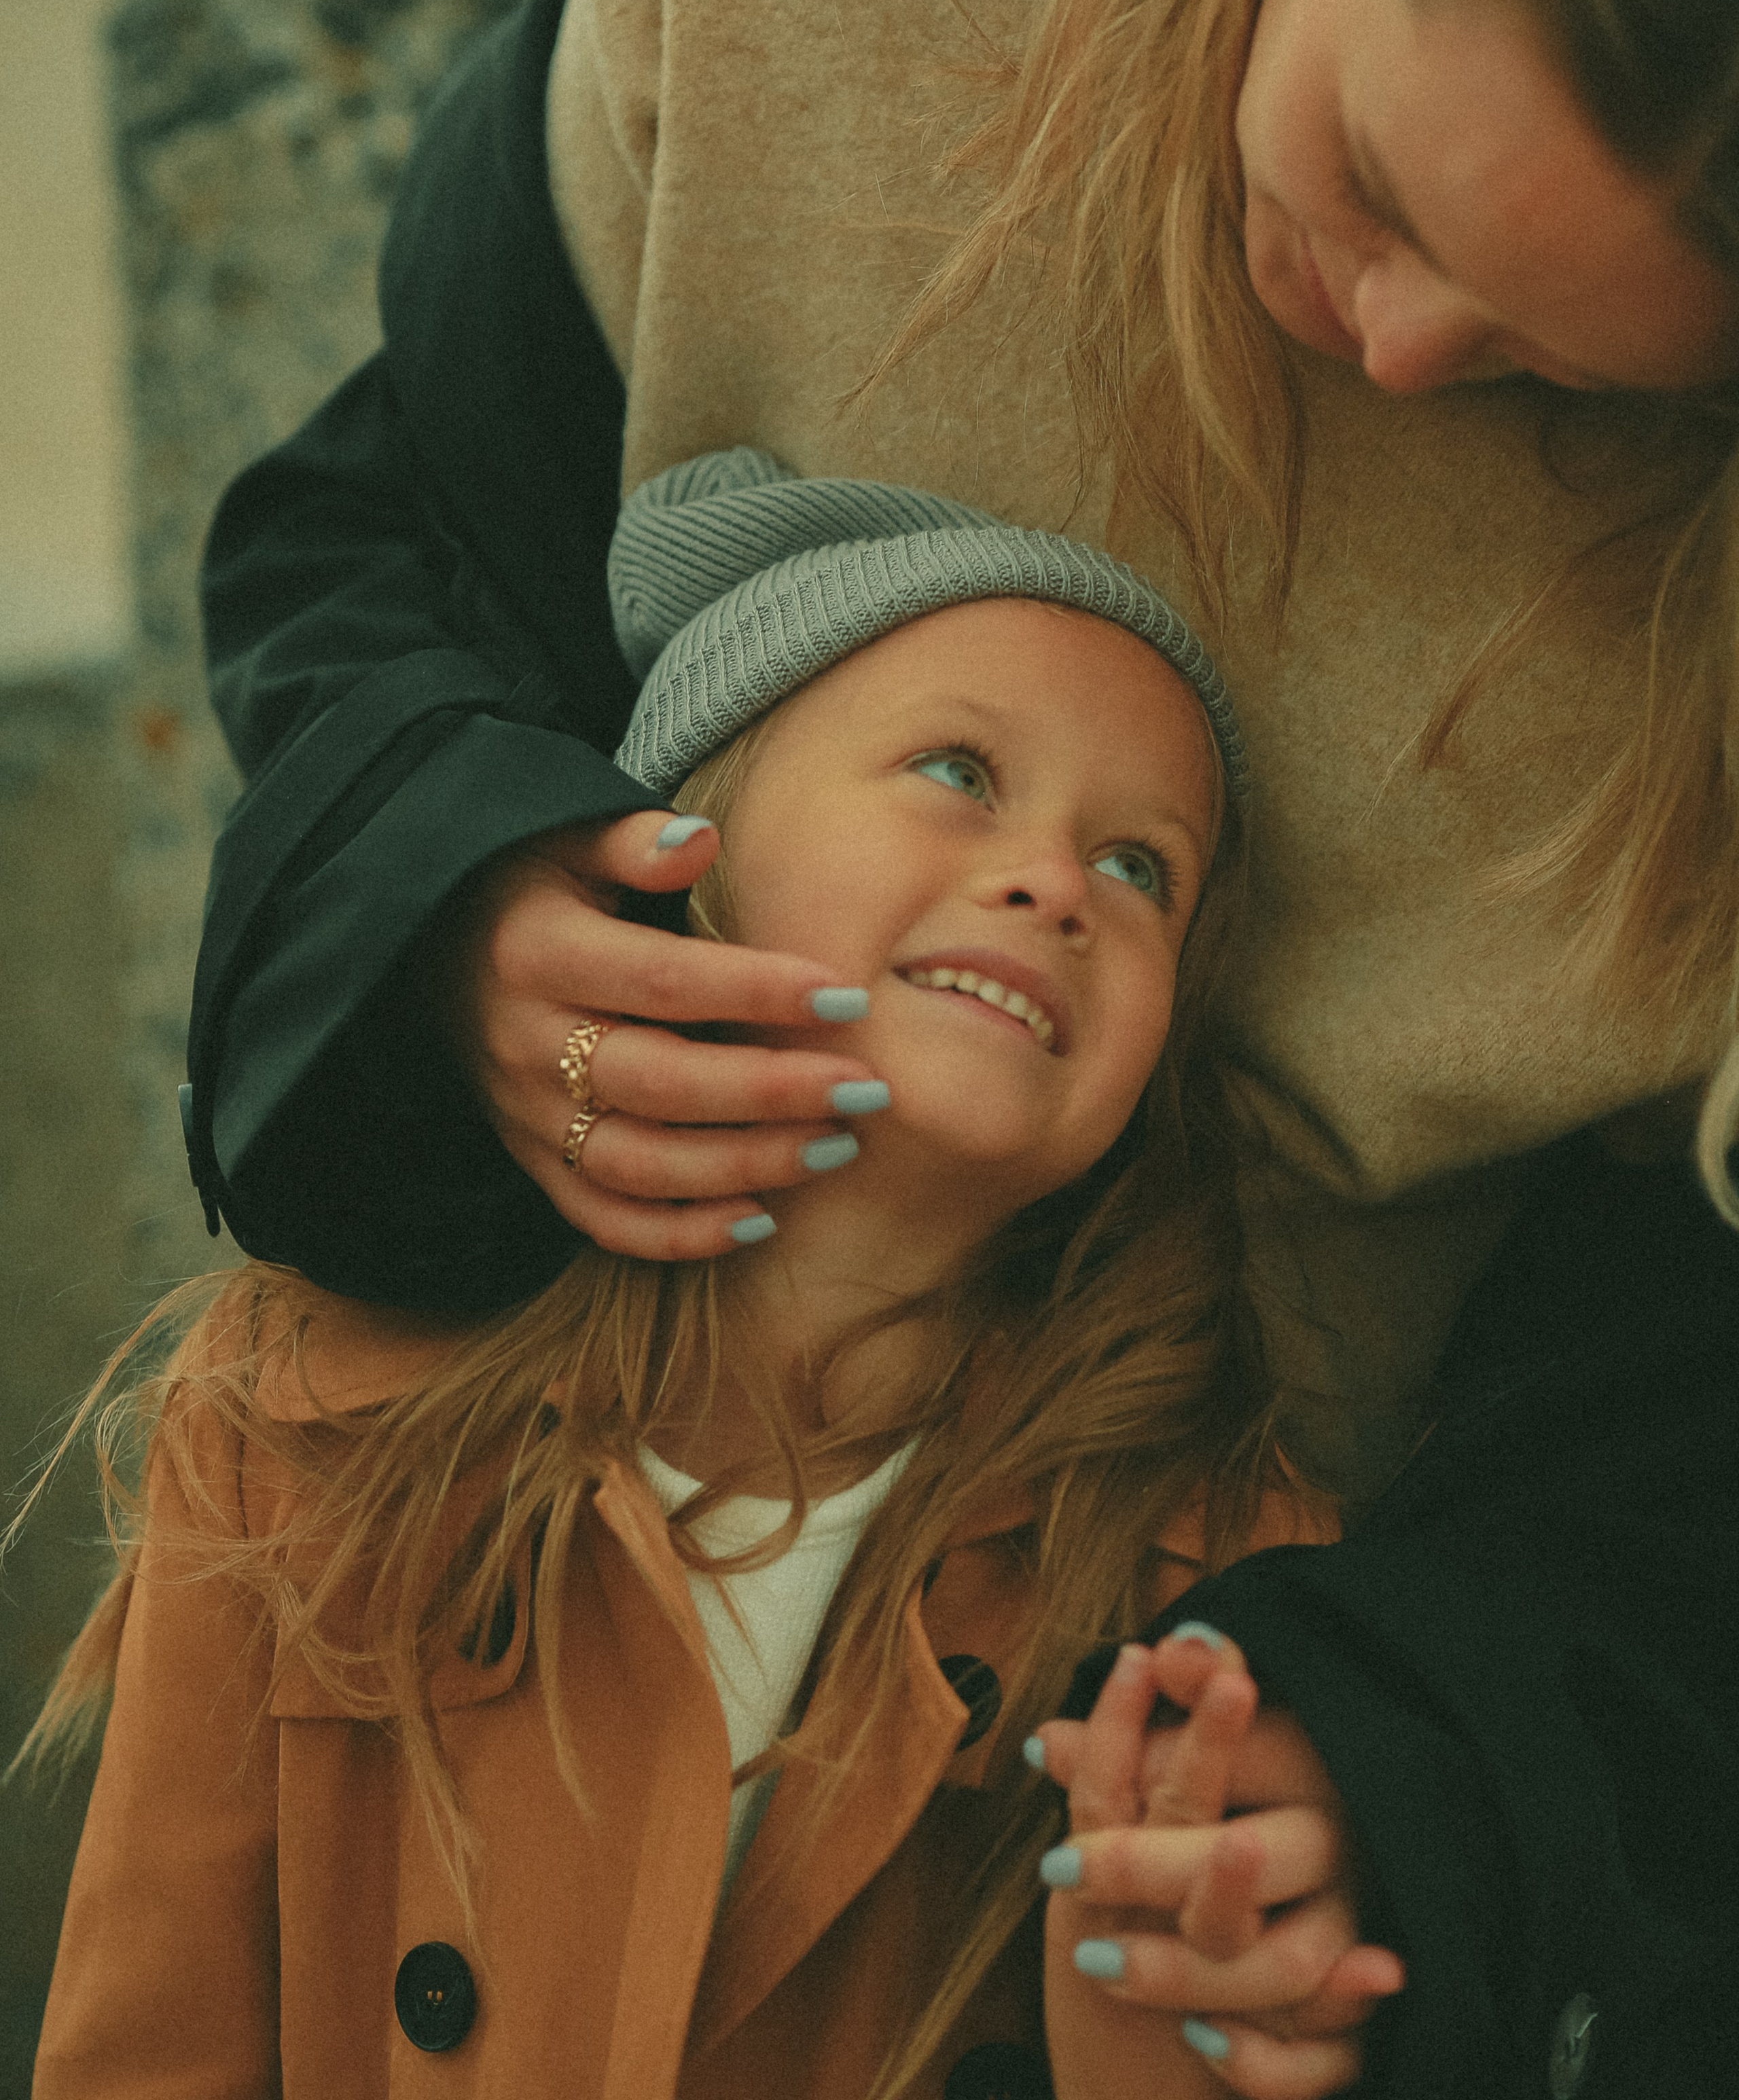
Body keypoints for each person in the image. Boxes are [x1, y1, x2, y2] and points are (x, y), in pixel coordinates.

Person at [172, 0, 1739, 2090]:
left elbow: (1688, 1438)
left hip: (1269, 1687)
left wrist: (1413, 1776)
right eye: (1375, 190)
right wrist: (451, 909)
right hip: (545, 1528)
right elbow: (385, 534)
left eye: (1583, 377)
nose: (1400, 350)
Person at [29, 455, 1371, 2100]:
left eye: (1140, 866)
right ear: (681, 845)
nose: (1053, 885)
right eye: (956, 768)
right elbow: (141, 2054)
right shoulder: (298, 1425)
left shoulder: (1215, 1569)